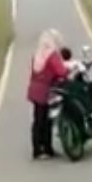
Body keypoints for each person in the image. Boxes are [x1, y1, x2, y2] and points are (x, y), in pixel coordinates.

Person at [27, 29, 68, 159]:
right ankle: (46, 147)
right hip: (46, 91)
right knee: (46, 120)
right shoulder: (52, 55)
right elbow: (61, 72)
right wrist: (68, 68)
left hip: (34, 89)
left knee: (38, 120)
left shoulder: (37, 54)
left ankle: (38, 148)